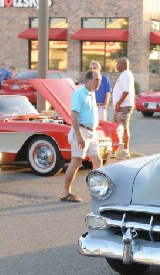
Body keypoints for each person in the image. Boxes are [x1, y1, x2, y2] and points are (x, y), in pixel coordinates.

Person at [61, 69, 103, 202]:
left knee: (97, 161)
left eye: (100, 80)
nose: (99, 82)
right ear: (88, 80)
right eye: (96, 80)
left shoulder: (91, 93)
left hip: (92, 132)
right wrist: (79, 136)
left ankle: (99, 190)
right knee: (76, 162)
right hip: (81, 131)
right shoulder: (79, 93)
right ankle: (66, 193)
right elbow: (73, 115)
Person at [112, 57, 135, 159]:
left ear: (123, 65)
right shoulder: (123, 75)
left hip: (124, 106)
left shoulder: (126, 74)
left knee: (124, 128)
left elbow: (126, 91)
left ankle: (125, 152)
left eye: (118, 64)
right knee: (115, 128)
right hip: (121, 105)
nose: (117, 66)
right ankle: (114, 150)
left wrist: (118, 104)